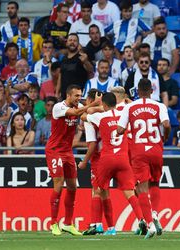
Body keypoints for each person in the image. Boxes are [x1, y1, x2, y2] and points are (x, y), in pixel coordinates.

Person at [87, 92, 151, 238]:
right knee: (129, 192)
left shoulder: (101, 116)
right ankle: (142, 220)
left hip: (107, 159)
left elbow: (85, 115)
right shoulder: (124, 115)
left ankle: (111, 228)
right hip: (123, 159)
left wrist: (95, 105)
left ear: (104, 104)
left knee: (101, 191)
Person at [117, 78, 171, 237]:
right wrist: (164, 138)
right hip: (155, 149)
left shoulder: (130, 107)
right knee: (155, 183)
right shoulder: (160, 106)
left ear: (137, 91)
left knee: (141, 188)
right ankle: (155, 213)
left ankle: (150, 224)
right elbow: (166, 124)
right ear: (152, 91)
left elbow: (120, 130)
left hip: (138, 152)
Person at [45, 84, 101, 236]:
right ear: (68, 96)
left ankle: (68, 224)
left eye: (80, 95)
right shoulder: (58, 107)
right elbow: (76, 112)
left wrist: (106, 107)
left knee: (72, 187)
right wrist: (93, 104)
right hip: (54, 150)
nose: (79, 98)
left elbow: (84, 114)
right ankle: (53, 223)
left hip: (67, 151)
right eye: (76, 95)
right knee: (59, 182)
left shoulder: (80, 106)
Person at [79, 89, 115, 236]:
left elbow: (92, 144)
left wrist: (84, 161)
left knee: (96, 191)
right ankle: (110, 227)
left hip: (98, 158)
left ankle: (96, 225)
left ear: (90, 101)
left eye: (86, 101)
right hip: (111, 155)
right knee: (105, 193)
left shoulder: (90, 118)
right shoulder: (107, 114)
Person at [57, 33, 93, 99]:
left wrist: (86, 61)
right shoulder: (63, 58)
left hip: (78, 97)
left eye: (75, 41)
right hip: (64, 96)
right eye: (70, 40)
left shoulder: (82, 57)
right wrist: (57, 92)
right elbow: (60, 76)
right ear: (66, 43)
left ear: (78, 44)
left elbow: (91, 70)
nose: (72, 42)